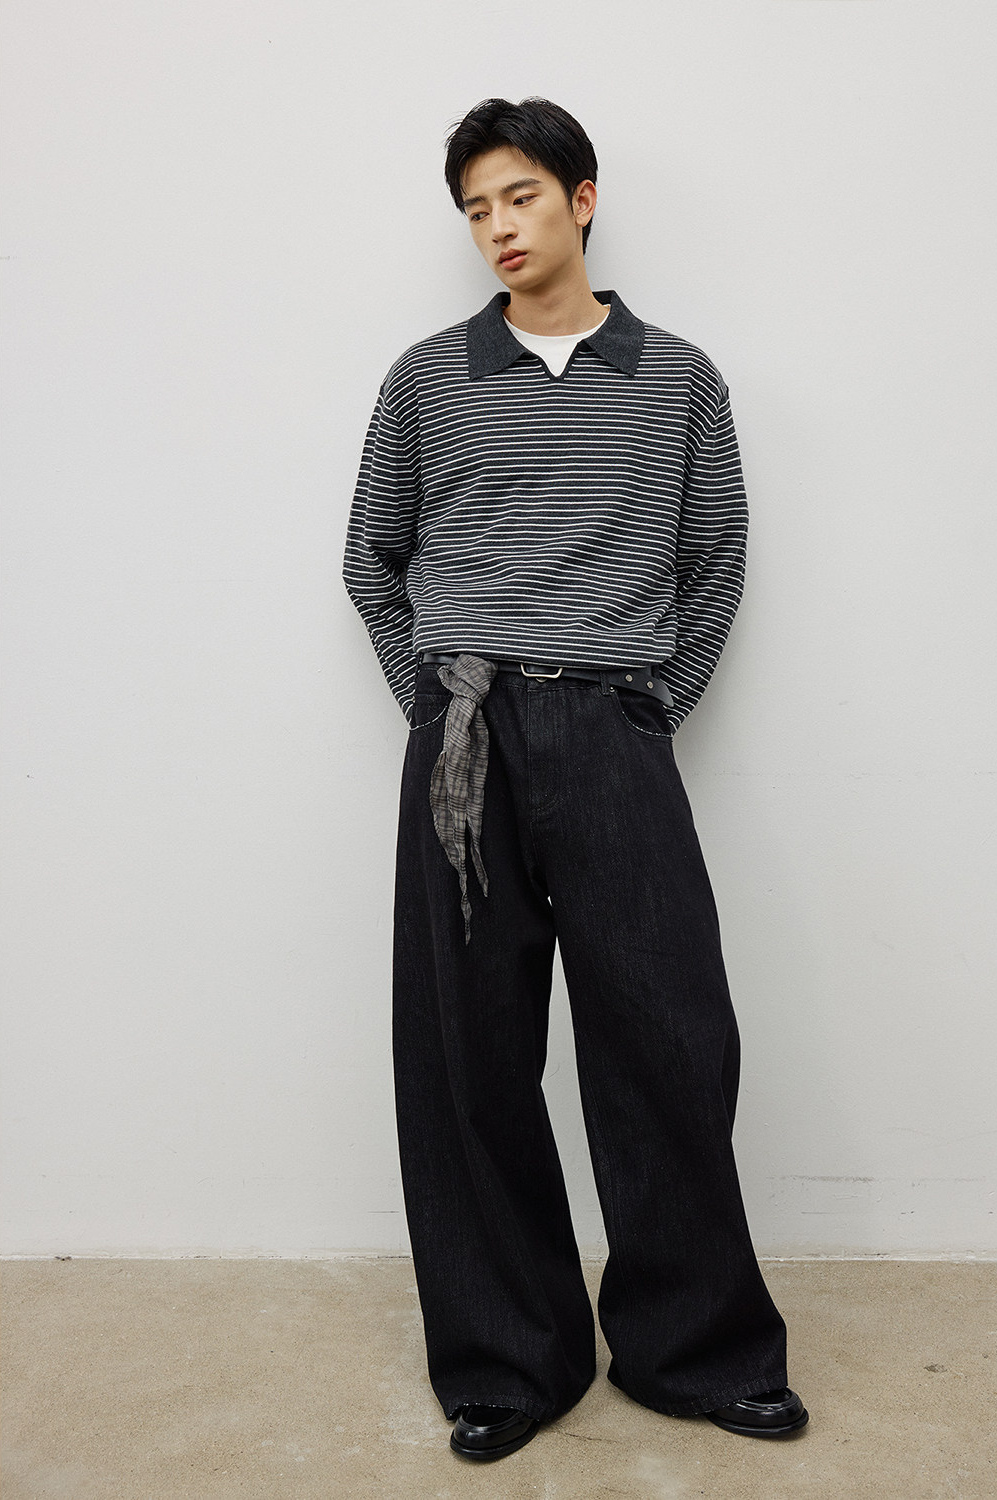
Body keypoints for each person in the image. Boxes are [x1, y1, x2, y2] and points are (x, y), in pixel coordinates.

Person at [342, 95, 807, 1463]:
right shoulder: (429, 379)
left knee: (669, 1039)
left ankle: (696, 1348)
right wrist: (438, 704)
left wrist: (647, 709)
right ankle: (507, 1358)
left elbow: (714, 562)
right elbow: (373, 561)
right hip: (466, 742)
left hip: (613, 735)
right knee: (469, 1055)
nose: (498, 226)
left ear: (582, 198)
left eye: (521, 196)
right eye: (476, 208)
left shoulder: (678, 380)